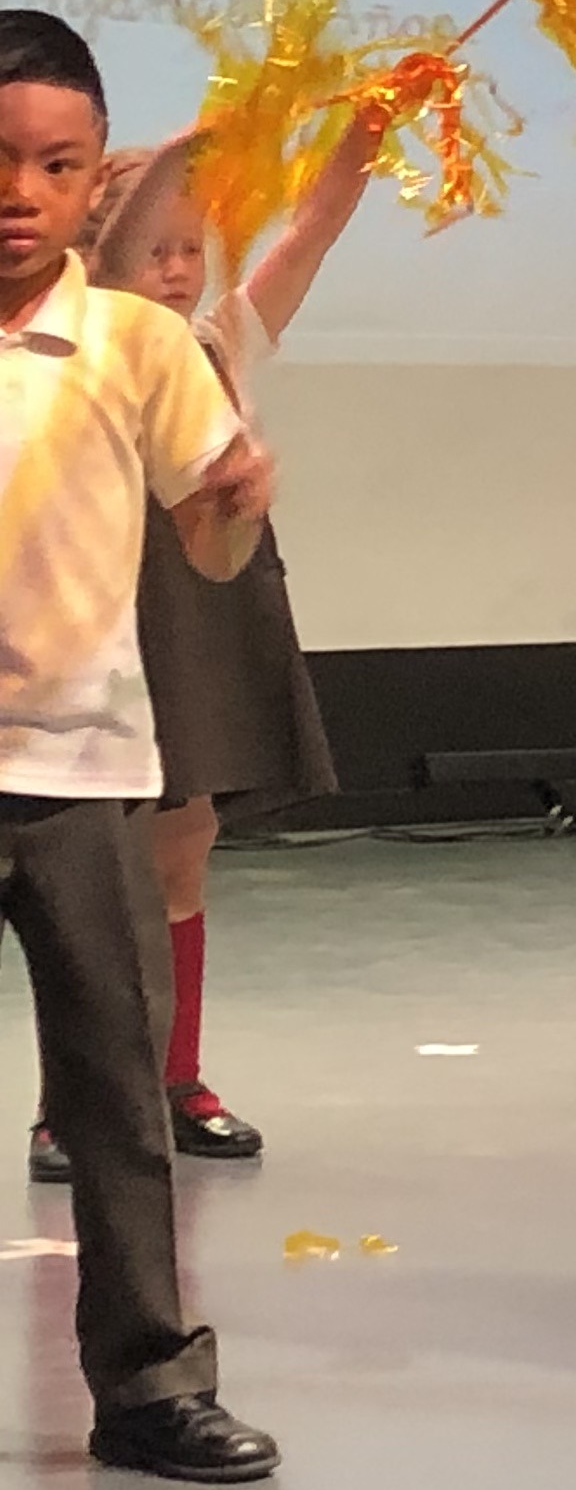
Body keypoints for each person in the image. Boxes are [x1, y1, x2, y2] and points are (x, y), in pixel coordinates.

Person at [0, 8, 281, 1480]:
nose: (21, 193)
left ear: (95, 174)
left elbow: (209, 553)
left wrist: (234, 504)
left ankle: (151, 1384)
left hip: (82, 771)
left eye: (58, 167)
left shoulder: (137, 343)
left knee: (116, 1091)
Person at [21, 116, 373, 1184]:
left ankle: (177, 1078)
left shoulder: (218, 342)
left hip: (207, 617)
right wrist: (185, 146)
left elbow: (311, 233)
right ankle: (72, 1105)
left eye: (194, 248)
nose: (178, 269)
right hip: (109, 619)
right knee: (93, 886)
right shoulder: (92, 344)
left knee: (184, 849)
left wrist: (360, 139)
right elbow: (118, 259)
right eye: (158, 248)